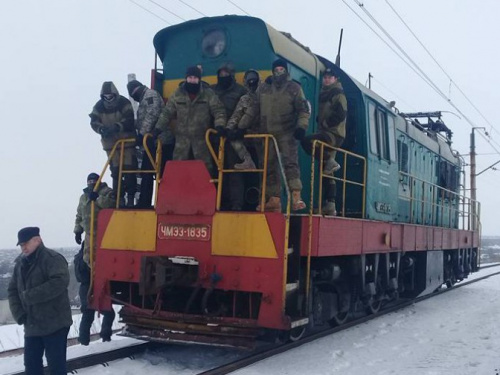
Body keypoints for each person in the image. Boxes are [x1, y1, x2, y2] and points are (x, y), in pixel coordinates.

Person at [8, 227, 72, 375]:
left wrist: (29, 296)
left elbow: (59, 282)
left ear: (37, 240)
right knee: (31, 367)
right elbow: (12, 290)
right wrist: (19, 313)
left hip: (55, 323)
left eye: (26, 243)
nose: (23, 247)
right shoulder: (20, 264)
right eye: (21, 245)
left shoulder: (52, 259)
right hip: (32, 324)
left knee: (56, 367)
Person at [255, 58, 310, 212]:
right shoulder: (264, 88)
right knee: (268, 166)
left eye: (282, 70)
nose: (279, 72)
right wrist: (240, 128)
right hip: (267, 134)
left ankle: (296, 197)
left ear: (286, 71)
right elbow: (255, 109)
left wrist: (301, 127)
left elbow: (303, 109)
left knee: (290, 165)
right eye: (276, 70)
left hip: (287, 133)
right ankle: (274, 199)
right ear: (273, 71)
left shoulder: (294, 88)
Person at [154, 65, 226, 176]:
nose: (192, 80)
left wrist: (220, 125)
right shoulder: (177, 94)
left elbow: (218, 110)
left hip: (202, 141)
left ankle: (205, 193)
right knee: (178, 172)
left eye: (195, 78)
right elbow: (167, 113)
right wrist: (158, 128)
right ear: (186, 78)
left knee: (205, 172)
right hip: (181, 143)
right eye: (190, 77)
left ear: (199, 79)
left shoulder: (208, 94)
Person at [301, 67, 347, 215]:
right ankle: (330, 205)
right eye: (325, 77)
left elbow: (340, 114)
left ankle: (329, 161)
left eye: (330, 77)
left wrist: (325, 123)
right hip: (326, 132)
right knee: (325, 169)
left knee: (307, 141)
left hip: (334, 134)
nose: (327, 79)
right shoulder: (323, 94)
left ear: (335, 79)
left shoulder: (338, 94)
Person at [127, 79, 175, 208]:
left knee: (160, 173)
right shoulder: (144, 99)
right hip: (152, 143)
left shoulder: (150, 95)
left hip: (162, 142)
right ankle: (146, 202)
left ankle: (161, 202)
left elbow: (152, 114)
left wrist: (142, 133)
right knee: (147, 172)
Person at [89, 81, 137, 207]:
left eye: (110, 96)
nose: (108, 99)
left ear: (115, 94)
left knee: (129, 170)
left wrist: (117, 127)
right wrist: (101, 129)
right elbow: (93, 121)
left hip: (126, 143)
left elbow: (129, 119)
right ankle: (118, 199)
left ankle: (131, 198)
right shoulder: (98, 107)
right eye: (106, 97)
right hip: (111, 146)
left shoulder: (124, 103)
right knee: (115, 172)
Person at [210, 63, 248, 211]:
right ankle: (215, 202)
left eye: (226, 74)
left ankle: (236, 204)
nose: (223, 77)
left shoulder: (241, 91)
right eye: (221, 74)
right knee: (214, 170)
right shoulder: (211, 91)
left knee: (234, 171)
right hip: (213, 137)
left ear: (232, 75)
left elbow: (246, 111)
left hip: (233, 138)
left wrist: (238, 130)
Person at [74, 241, 115, 345]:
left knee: (87, 315)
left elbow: (79, 276)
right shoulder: (90, 258)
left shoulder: (78, 259)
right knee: (109, 313)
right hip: (94, 286)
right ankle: (105, 337)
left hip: (84, 288)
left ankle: (83, 341)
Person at [74, 172, 115, 266]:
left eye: (94, 181)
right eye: (89, 181)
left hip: (105, 232)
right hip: (89, 233)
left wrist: (97, 198)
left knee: (104, 257)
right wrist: (78, 231)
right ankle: (93, 276)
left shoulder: (107, 192)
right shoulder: (84, 197)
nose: (92, 183)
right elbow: (79, 215)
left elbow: (111, 205)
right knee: (88, 257)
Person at [226, 69, 260, 170]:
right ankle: (247, 160)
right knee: (234, 139)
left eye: (254, 80)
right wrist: (228, 129)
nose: (252, 82)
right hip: (249, 133)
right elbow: (236, 115)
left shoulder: (265, 96)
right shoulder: (244, 99)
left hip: (264, 133)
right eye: (249, 80)